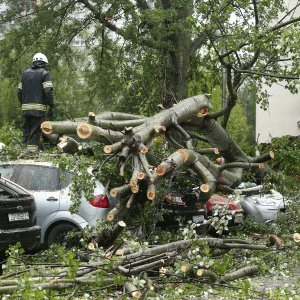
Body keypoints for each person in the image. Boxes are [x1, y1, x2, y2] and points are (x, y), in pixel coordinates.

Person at [18, 52, 54, 152]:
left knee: (26, 131)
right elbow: (48, 92)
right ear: (43, 63)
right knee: (35, 132)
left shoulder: (25, 73)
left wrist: (24, 104)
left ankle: (22, 152)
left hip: (25, 110)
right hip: (38, 110)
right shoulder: (44, 74)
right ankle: (31, 154)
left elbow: (19, 92)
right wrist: (51, 105)